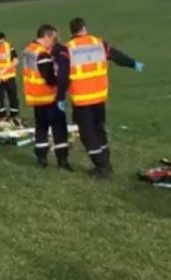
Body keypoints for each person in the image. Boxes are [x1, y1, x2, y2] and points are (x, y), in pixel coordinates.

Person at [56, 17, 143, 178]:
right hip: (99, 97)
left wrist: (60, 97)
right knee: (99, 130)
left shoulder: (67, 49)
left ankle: (101, 166)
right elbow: (116, 55)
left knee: (87, 134)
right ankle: (106, 163)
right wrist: (132, 63)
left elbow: (62, 76)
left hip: (82, 100)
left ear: (72, 31)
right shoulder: (99, 43)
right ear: (84, 28)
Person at [21, 24, 72, 170]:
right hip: (48, 97)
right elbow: (49, 77)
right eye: (53, 38)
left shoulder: (28, 49)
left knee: (41, 128)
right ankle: (62, 160)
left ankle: (41, 158)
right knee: (59, 128)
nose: (54, 42)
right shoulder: (42, 54)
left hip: (35, 97)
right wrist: (61, 79)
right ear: (46, 36)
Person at [0, 32, 20, 120]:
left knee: (13, 96)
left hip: (9, 76)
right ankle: (2, 115)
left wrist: (6, 69)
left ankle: (14, 114)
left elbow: (16, 61)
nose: (0, 44)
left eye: (2, 42)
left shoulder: (9, 46)